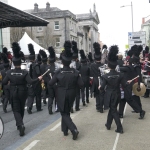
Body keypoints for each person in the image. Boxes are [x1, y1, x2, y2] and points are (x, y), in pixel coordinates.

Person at [2, 42, 42, 136]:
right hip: (23, 92)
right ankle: (20, 124)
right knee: (21, 108)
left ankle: (20, 124)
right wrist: (38, 79)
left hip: (13, 92)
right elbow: (31, 81)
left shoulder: (9, 72)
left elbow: (3, 82)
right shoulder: (24, 72)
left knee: (15, 110)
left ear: (13, 63)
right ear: (20, 63)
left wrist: (9, 83)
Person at [49, 41, 83, 140]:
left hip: (61, 93)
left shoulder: (59, 72)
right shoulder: (75, 72)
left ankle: (73, 129)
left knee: (63, 113)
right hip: (72, 93)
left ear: (62, 62)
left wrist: (58, 85)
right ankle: (65, 130)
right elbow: (81, 84)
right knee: (66, 111)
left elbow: (50, 83)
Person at [100, 45, 127, 134]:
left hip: (110, 94)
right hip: (117, 94)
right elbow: (124, 85)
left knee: (114, 110)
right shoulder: (120, 75)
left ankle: (119, 127)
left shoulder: (105, 76)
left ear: (108, 65)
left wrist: (100, 87)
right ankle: (108, 124)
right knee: (113, 108)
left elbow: (102, 88)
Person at [27, 44, 42, 114]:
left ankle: (29, 107)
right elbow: (38, 72)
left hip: (30, 81)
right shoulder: (36, 65)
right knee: (38, 95)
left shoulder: (28, 65)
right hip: (36, 81)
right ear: (34, 58)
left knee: (31, 95)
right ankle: (38, 107)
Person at [90, 42, 104, 113]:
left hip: (95, 80)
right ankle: (101, 107)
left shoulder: (92, 65)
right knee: (101, 94)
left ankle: (98, 106)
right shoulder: (103, 65)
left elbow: (91, 73)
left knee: (97, 94)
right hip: (101, 80)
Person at [70, 41, 81, 112]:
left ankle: (71, 107)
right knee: (77, 94)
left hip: (71, 80)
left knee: (71, 95)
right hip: (77, 80)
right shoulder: (79, 64)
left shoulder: (70, 64)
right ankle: (77, 107)